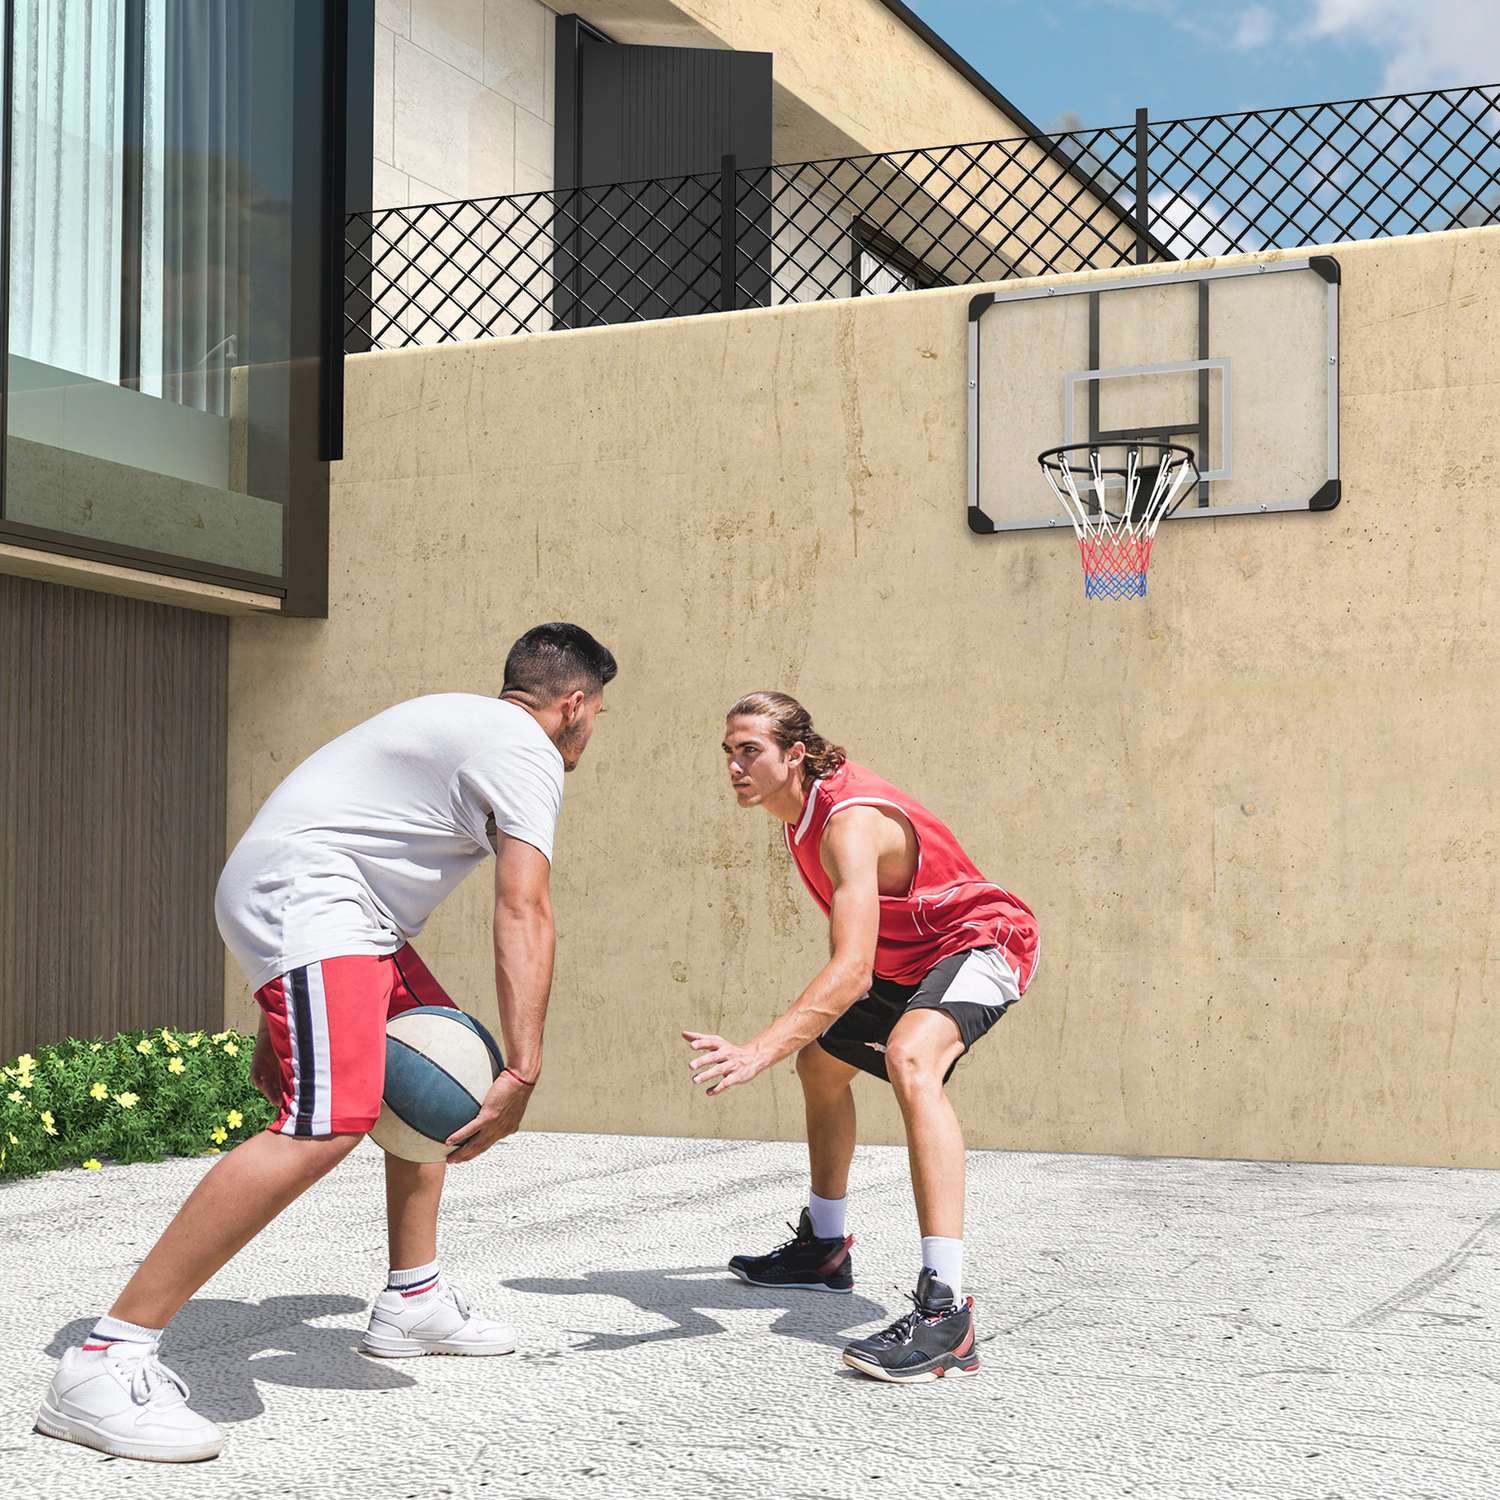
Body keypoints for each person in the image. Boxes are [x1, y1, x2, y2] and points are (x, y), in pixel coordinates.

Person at [36, 622, 616, 1462]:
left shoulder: (468, 724)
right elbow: (524, 908)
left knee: (435, 1056)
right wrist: (525, 1066)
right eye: (596, 713)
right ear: (574, 704)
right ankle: (106, 1360)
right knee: (330, 1120)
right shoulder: (526, 750)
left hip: (333, 904)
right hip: (312, 896)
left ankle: (412, 1298)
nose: (591, 729)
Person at [686, 691, 1038, 1384]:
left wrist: (758, 1048)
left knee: (912, 1058)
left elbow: (849, 972)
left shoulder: (846, 824)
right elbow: (859, 956)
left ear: (794, 754)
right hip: (908, 963)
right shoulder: (798, 813)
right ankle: (823, 1249)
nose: (734, 765)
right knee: (820, 1064)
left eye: (749, 750)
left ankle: (946, 1313)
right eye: (728, 751)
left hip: (983, 943)